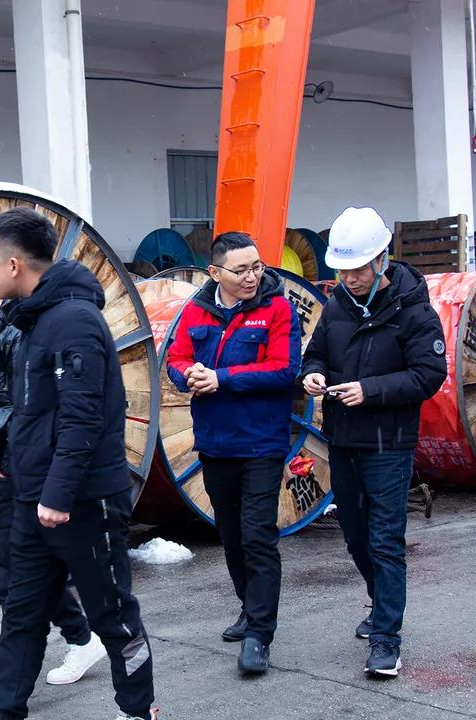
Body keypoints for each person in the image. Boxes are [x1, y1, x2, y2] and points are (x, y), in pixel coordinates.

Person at [0, 207, 157, 720]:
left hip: (82, 502)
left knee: (113, 616)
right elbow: (31, 412)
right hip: (32, 499)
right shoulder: (31, 319)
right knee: (22, 614)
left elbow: (83, 418)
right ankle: (6, 711)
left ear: (14, 265)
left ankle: (137, 710)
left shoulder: (74, 321)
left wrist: (57, 495)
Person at [0, 220, 107, 720]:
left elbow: (35, 409)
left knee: (18, 585)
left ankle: (5, 689)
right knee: (27, 580)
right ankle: (82, 639)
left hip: (18, 477)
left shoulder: (18, 328)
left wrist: (14, 468)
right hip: (0, 472)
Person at [301, 207, 447, 679]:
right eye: (343, 270)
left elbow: (429, 374)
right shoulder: (336, 306)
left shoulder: (414, 311)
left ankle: (387, 638)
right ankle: (381, 601)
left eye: (359, 269)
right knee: (356, 536)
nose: (351, 279)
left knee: (385, 541)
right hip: (343, 440)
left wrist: (370, 390)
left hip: (389, 444)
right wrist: (313, 374)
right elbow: (315, 353)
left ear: (382, 259)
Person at [165, 231, 300, 675]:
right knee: (231, 533)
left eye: (256, 267)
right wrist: (189, 375)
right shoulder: (197, 310)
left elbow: (283, 370)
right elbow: (176, 357)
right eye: (240, 270)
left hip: (261, 442)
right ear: (214, 272)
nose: (251, 277)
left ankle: (260, 634)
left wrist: (222, 378)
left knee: (258, 534)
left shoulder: (277, 309)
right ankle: (249, 605)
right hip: (215, 442)